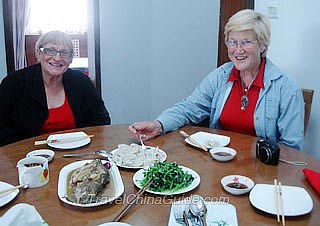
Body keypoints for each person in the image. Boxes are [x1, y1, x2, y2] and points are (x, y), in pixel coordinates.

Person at [128, 9, 304, 150]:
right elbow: (190, 107)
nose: (238, 50)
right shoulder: (221, 75)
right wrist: (159, 124)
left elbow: (291, 148)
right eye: (232, 42)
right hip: (218, 161)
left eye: (246, 42)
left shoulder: (286, 87)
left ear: (263, 45)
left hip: (261, 171)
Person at [0, 30, 110, 146]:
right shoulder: (14, 83)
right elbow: (2, 128)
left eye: (65, 53)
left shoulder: (82, 82)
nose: (57, 58)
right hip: (30, 157)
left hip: (76, 152)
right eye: (50, 50)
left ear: (71, 58)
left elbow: (102, 120)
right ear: (38, 53)